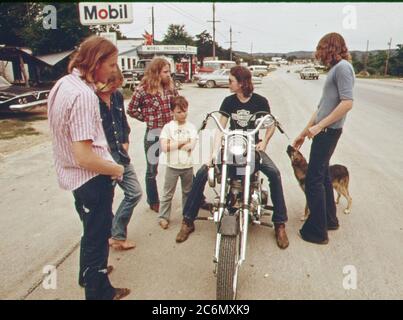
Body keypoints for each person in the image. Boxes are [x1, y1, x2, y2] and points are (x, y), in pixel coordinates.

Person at [47, 36, 130, 300]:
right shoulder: (84, 96)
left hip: (73, 177)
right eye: (111, 64)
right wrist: (115, 169)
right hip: (90, 179)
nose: (113, 71)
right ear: (95, 62)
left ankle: (88, 274)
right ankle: (99, 291)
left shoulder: (64, 84)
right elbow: (84, 156)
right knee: (97, 238)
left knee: (90, 231)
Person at [175, 66, 289, 249]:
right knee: (203, 173)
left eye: (230, 81)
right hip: (231, 147)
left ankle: (280, 224)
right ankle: (188, 220)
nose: (228, 84)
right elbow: (220, 129)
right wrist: (213, 154)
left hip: (252, 148)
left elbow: (271, 123)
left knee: (274, 174)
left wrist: (264, 142)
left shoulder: (260, 102)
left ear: (242, 83)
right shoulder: (228, 101)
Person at [293, 32, 355, 245]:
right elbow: (321, 108)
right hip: (323, 131)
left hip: (328, 132)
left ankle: (317, 231)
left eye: (321, 49)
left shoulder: (344, 68)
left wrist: (319, 127)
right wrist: (304, 132)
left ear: (330, 48)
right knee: (322, 176)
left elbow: (347, 103)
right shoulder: (335, 70)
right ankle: (330, 220)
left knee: (313, 180)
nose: (318, 54)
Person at [96, 69, 142, 250]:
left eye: (116, 86)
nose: (113, 89)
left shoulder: (117, 96)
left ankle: (115, 232)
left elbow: (122, 122)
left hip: (120, 155)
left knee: (135, 192)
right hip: (103, 159)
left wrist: (125, 142)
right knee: (104, 201)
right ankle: (112, 238)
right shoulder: (91, 99)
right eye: (111, 86)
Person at [127, 58, 178, 213]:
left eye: (169, 71)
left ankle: (196, 198)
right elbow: (131, 109)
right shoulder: (143, 89)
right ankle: (153, 201)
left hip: (171, 131)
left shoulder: (170, 87)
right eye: (165, 72)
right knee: (151, 170)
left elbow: (178, 103)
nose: (169, 75)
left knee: (183, 164)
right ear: (156, 72)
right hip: (154, 134)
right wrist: (147, 118)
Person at [158, 96, 197, 229]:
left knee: (187, 192)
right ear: (172, 112)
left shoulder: (191, 127)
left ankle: (186, 216)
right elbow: (164, 147)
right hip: (172, 166)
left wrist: (174, 143)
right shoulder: (168, 128)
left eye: (185, 111)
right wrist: (181, 142)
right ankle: (163, 216)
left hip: (187, 166)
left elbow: (191, 146)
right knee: (168, 192)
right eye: (179, 112)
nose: (183, 114)